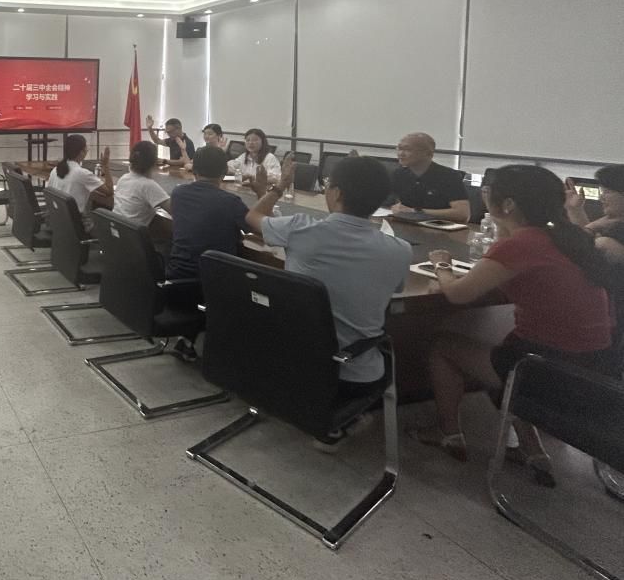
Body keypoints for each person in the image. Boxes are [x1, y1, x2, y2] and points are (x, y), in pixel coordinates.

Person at [411, 165, 614, 483]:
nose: (484, 195)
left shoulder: (522, 244)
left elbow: (458, 294)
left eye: (489, 192)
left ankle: (449, 433)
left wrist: (442, 266)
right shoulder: (572, 237)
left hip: (545, 370)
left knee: (443, 346)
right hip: (593, 367)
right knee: (505, 342)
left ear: (507, 204)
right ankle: (534, 452)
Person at [245, 155, 413, 449]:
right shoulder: (400, 250)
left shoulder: (300, 229)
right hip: (354, 376)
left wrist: (279, 187)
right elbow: (393, 292)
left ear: (335, 193)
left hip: (287, 362)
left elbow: (253, 217)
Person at [167, 146, 284, 287]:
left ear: (194, 170)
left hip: (176, 277)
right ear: (224, 172)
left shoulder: (178, 193)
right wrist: (261, 193)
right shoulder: (230, 202)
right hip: (215, 284)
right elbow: (267, 231)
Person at [389, 132, 469, 223]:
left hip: (439, 227)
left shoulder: (449, 176)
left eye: (408, 149)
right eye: (399, 148)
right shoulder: (399, 174)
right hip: (407, 224)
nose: (401, 153)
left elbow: (463, 214)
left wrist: (417, 212)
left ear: (428, 153)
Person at [45, 134, 113, 232]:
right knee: (107, 228)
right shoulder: (82, 173)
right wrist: (106, 166)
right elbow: (109, 192)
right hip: (75, 225)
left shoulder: (55, 170)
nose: (87, 150)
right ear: (81, 152)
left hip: (56, 222)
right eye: (86, 148)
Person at [112, 141, 173, 242]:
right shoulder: (148, 185)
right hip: (133, 241)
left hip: (118, 237)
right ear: (155, 162)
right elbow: (174, 210)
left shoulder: (124, 178)